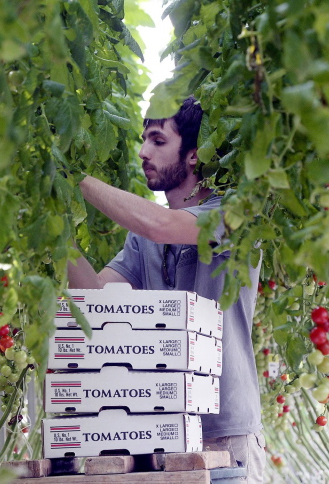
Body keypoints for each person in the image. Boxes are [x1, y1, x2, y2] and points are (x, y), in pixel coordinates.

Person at [66, 96, 265, 482]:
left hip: (226, 434)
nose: (143, 152)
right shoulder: (142, 240)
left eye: (157, 141)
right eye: (144, 140)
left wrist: (72, 176)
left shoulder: (234, 213)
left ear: (193, 155)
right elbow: (95, 296)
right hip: (165, 433)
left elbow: (161, 225)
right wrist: (59, 235)